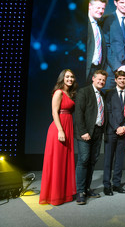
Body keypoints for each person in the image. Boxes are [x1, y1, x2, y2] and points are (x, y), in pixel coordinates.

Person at [39, 69, 78, 206]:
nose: (70, 79)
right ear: (62, 78)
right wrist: (61, 130)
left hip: (68, 127)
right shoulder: (59, 92)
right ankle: (54, 196)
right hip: (58, 128)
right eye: (67, 76)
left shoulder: (70, 93)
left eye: (72, 77)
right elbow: (54, 112)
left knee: (64, 161)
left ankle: (64, 194)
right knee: (57, 162)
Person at [74, 70, 108, 205]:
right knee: (84, 160)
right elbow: (78, 114)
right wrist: (83, 131)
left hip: (98, 132)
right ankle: (80, 191)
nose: (101, 82)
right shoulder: (84, 92)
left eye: (103, 80)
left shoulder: (102, 95)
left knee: (93, 160)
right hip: (85, 132)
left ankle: (87, 188)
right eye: (99, 79)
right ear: (93, 78)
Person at [103, 71, 125, 196]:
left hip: (124, 132)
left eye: (124, 79)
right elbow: (108, 112)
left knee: (119, 160)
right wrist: (116, 127)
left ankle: (117, 184)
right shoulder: (109, 93)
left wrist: (124, 127)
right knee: (108, 160)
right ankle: (106, 185)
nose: (122, 81)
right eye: (119, 79)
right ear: (115, 80)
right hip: (111, 131)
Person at [101, 0, 125, 89]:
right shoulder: (107, 20)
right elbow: (106, 46)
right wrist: (117, 66)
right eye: (122, 2)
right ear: (115, 3)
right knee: (109, 100)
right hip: (111, 70)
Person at [86, 0, 108, 83]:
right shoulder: (84, 23)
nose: (100, 11)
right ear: (89, 6)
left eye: (102, 8)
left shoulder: (98, 25)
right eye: (98, 7)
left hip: (96, 70)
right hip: (85, 69)